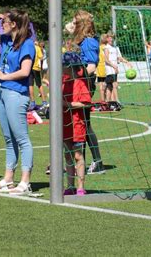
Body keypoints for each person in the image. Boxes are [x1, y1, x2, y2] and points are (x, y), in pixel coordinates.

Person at [0, 9, 35, 195]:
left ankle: (25, 181)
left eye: (4, 21)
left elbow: (25, 71)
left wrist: (4, 76)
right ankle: (8, 178)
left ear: (13, 24)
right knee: (8, 138)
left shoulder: (27, 44)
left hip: (16, 94)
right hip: (3, 92)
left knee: (22, 139)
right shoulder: (6, 40)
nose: (1, 24)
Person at [66, 10, 105, 175]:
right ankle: (80, 160)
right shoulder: (81, 41)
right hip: (79, 83)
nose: (71, 24)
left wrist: (75, 76)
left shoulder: (89, 42)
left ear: (81, 25)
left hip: (84, 85)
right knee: (78, 123)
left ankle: (97, 162)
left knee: (84, 123)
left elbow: (91, 67)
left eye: (75, 22)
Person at [62, 52, 91, 196]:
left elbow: (86, 104)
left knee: (78, 155)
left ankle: (80, 186)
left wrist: (68, 104)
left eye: (63, 65)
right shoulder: (62, 83)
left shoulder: (80, 83)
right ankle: (70, 185)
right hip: (64, 124)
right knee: (67, 156)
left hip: (77, 125)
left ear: (69, 66)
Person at [104, 32, 131, 104]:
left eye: (112, 38)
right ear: (107, 39)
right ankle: (116, 100)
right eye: (109, 37)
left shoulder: (116, 48)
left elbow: (119, 58)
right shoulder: (106, 48)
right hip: (110, 70)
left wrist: (127, 62)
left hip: (114, 70)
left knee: (110, 86)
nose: (111, 39)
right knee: (114, 85)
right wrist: (114, 66)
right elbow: (106, 60)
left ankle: (108, 101)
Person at [28, 40, 47, 110]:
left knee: (30, 85)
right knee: (39, 84)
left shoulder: (29, 47)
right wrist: (41, 66)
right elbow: (41, 57)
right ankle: (44, 101)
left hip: (29, 67)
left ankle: (32, 102)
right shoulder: (37, 48)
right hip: (36, 68)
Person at [96, 34, 107, 102]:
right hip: (105, 67)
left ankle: (102, 99)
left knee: (100, 83)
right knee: (106, 83)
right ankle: (106, 98)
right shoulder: (105, 47)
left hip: (99, 67)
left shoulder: (98, 47)